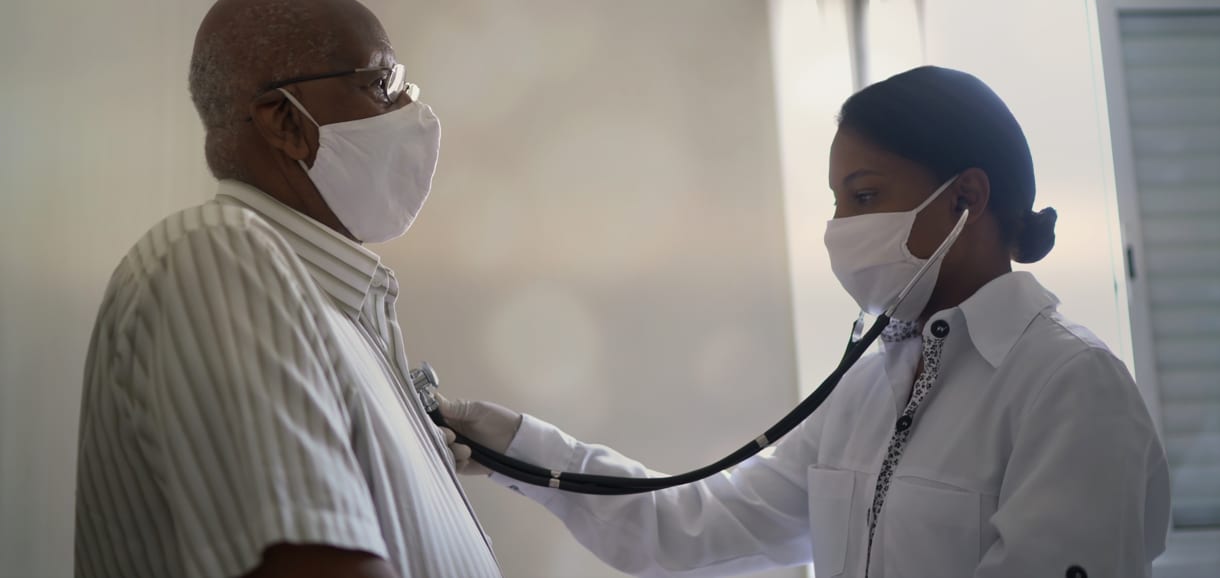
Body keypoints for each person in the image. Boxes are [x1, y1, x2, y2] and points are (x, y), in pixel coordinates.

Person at [440, 66, 1170, 578]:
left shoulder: (1070, 385)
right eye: (837, 202)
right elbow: (695, 527)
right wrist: (519, 450)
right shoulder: (870, 385)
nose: (840, 227)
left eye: (864, 195)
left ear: (965, 198)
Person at [74, 0, 501, 578]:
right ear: (285, 122)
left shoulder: (340, 310)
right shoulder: (213, 259)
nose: (412, 112)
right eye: (381, 85)